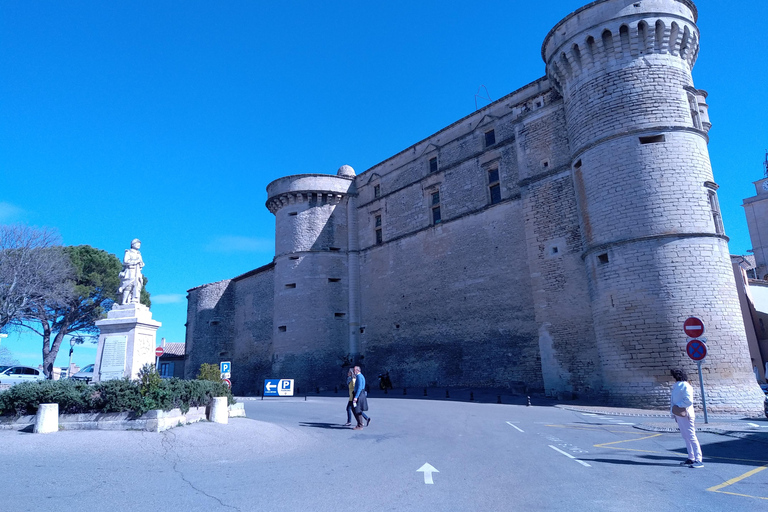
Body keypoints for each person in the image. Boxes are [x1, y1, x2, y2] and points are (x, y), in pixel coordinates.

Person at [670, 368, 703, 468]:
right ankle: (691, 458)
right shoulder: (677, 386)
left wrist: (677, 407)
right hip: (679, 414)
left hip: (686, 414)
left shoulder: (685, 385)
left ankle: (698, 459)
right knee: (686, 436)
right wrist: (674, 413)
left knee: (691, 436)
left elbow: (688, 400)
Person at [118, 238, 144, 305]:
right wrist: (135, 262)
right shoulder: (128, 252)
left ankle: (135, 299)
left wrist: (141, 264)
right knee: (128, 285)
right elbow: (125, 261)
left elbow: (141, 263)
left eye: (139, 244)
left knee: (137, 285)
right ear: (133, 244)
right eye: (137, 244)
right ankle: (124, 301)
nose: (139, 245)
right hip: (130, 271)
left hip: (137, 272)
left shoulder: (139, 253)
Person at [352, 366, 370, 430]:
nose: (353, 372)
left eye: (354, 370)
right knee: (356, 409)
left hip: (359, 394)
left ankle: (360, 425)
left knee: (357, 409)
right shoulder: (360, 376)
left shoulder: (359, 376)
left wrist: (356, 397)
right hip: (361, 394)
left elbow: (359, 387)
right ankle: (361, 423)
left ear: (357, 370)